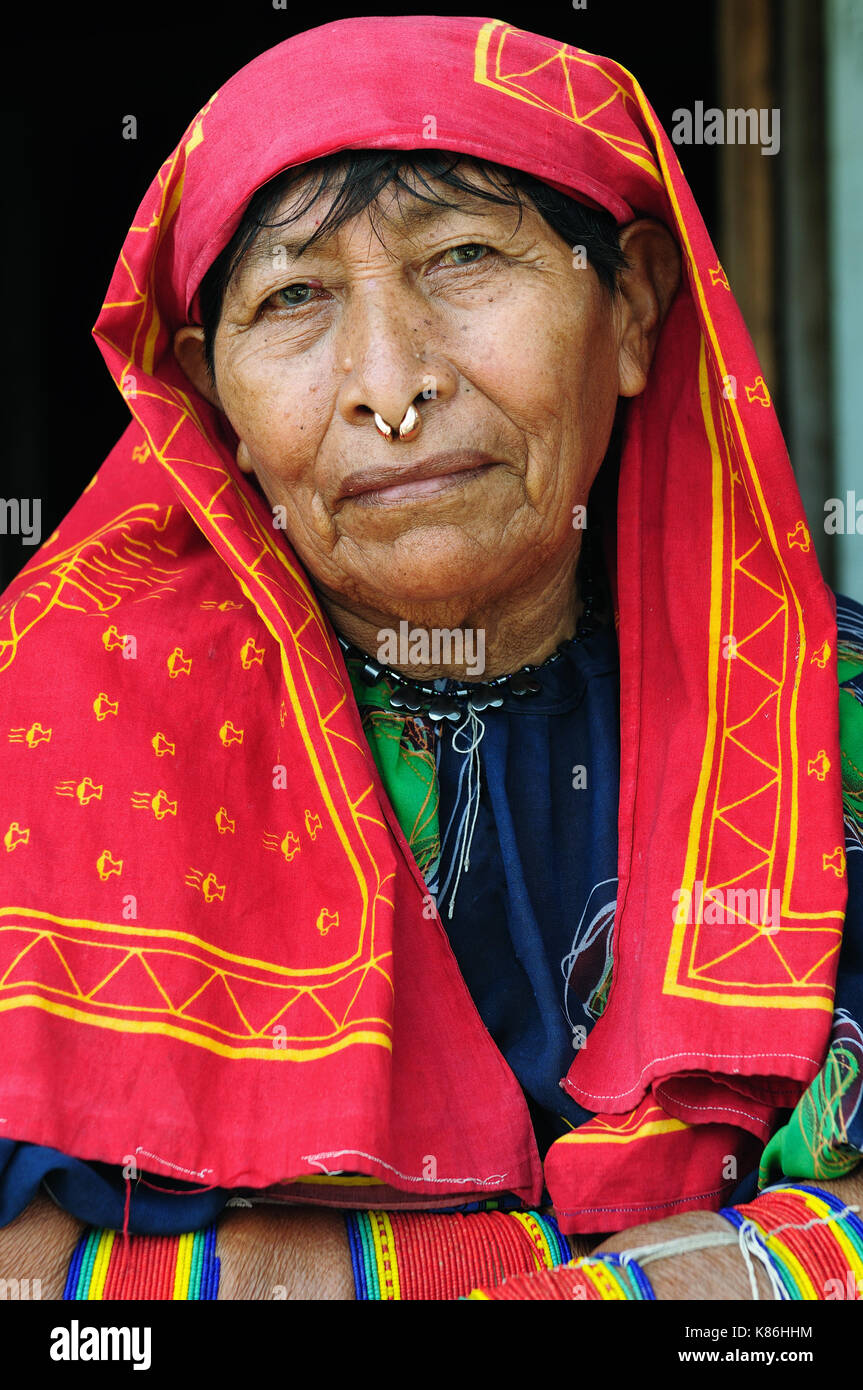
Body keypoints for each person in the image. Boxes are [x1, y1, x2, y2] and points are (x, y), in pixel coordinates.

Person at [0, 14, 861, 1301]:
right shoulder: (43, 736)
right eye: (293, 298)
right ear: (205, 392)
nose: (389, 384)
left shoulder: (825, 709)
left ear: (629, 304)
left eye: (462, 256)